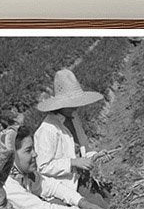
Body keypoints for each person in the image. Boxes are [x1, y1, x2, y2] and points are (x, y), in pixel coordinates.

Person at [34, 68, 105, 200]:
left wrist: (96, 156)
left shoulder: (73, 118)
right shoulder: (48, 129)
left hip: (80, 180)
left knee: (107, 202)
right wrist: (72, 163)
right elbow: (43, 167)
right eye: (71, 104)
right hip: (62, 188)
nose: (76, 107)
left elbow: (83, 149)